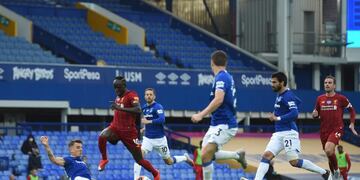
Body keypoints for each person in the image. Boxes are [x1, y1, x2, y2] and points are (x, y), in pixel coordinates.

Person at [254, 72, 331, 180]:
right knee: (266, 156)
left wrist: (278, 118)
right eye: (272, 82)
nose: (272, 84)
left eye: (274, 82)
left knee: (294, 162)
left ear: (282, 82)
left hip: (289, 133)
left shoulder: (287, 96)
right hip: (278, 133)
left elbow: (295, 113)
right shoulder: (281, 95)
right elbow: (297, 102)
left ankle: (324, 172)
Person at [191, 50, 247, 180]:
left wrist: (201, 114)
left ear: (212, 63)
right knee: (204, 155)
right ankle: (238, 156)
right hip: (216, 124)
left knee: (205, 154)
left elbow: (219, 99)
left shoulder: (222, 77)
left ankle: (238, 156)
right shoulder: (225, 76)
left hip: (225, 124)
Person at [98, 76, 160, 180]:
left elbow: (138, 109)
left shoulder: (132, 95)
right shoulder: (118, 97)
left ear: (124, 86)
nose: (116, 90)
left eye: (118, 87)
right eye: (115, 88)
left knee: (139, 160)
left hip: (129, 132)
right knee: (102, 136)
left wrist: (119, 107)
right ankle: (104, 159)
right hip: (115, 128)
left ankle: (155, 173)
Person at [133, 88, 194, 179]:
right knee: (138, 157)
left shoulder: (158, 107)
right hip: (148, 139)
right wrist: (144, 128)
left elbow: (162, 119)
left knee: (168, 161)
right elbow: (147, 120)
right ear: (144, 96)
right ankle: (136, 178)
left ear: (154, 96)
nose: (148, 96)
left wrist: (148, 122)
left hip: (160, 140)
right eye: (147, 94)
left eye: (150, 94)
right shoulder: (144, 107)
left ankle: (185, 158)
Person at [312, 75, 357, 179]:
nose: (327, 84)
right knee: (329, 155)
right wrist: (314, 115)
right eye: (325, 83)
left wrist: (352, 123)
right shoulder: (320, 99)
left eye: (329, 82)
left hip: (337, 129)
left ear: (334, 85)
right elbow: (316, 113)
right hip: (324, 131)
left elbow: (352, 110)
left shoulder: (341, 98)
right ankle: (333, 176)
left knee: (328, 150)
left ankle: (336, 171)